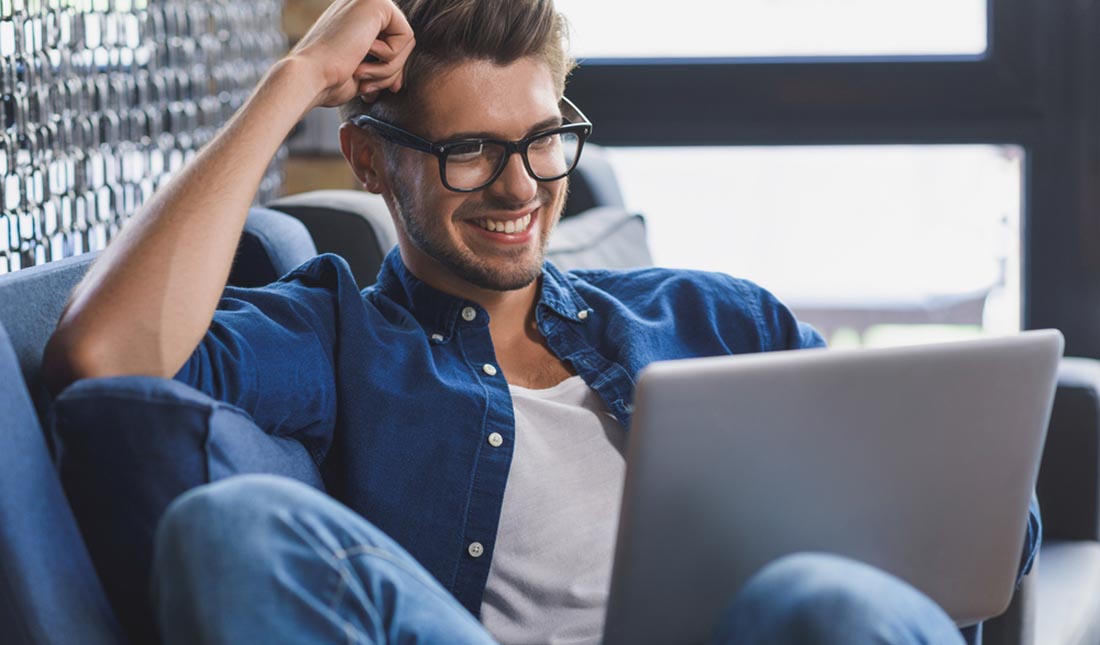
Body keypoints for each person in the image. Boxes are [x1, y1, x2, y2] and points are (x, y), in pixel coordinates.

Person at [42, 0, 1034, 643]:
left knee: (830, 601)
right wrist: (292, 78)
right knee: (231, 525)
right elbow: (103, 352)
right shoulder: (337, 335)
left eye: (543, 139)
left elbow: (996, 536)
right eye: (470, 150)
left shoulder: (710, 316)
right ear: (370, 159)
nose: (520, 187)